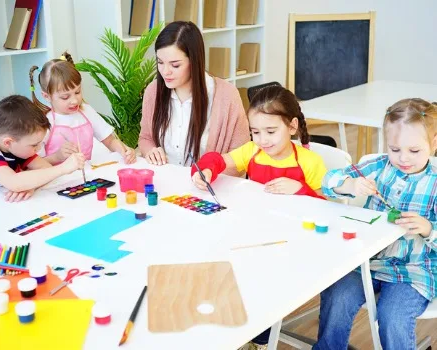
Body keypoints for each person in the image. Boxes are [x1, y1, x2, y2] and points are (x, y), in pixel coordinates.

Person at [314, 98, 437, 350]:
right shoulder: (379, 167)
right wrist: (350, 185)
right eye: (394, 149)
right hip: (367, 262)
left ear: (433, 145)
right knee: (337, 297)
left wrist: (427, 227)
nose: (403, 158)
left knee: (393, 317)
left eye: (414, 151)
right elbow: (329, 180)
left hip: (412, 271)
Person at [138, 21, 250, 169]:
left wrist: (211, 170)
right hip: (165, 186)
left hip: (209, 187)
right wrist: (150, 151)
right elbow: (145, 138)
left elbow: (243, 155)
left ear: (194, 61)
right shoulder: (153, 91)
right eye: (160, 62)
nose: (165, 71)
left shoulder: (226, 96)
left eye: (175, 65)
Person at [191, 85, 327, 200]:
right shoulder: (252, 150)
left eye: (271, 132)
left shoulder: (311, 161)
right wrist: (206, 171)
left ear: (292, 126)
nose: (262, 140)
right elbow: (218, 160)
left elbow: (322, 204)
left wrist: (300, 189)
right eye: (255, 132)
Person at [0, 95, 85, 202]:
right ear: (8, 142)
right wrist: (63, 168)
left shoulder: (19, 149)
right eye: (34, 145)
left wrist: (31, 185)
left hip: (0, 205)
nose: (38, 148)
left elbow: (46, 168)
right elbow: (14, 182)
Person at [30, 51, 136, 165]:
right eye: (65, 97)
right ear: (47, 96)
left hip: (86, 177)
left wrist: (124, 151)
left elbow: (110, 141)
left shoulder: (86, 111)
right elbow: (34, 165)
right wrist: (57, 156)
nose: (75, 100)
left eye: (77, 92)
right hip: (57, 179)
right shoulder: (44, 123)